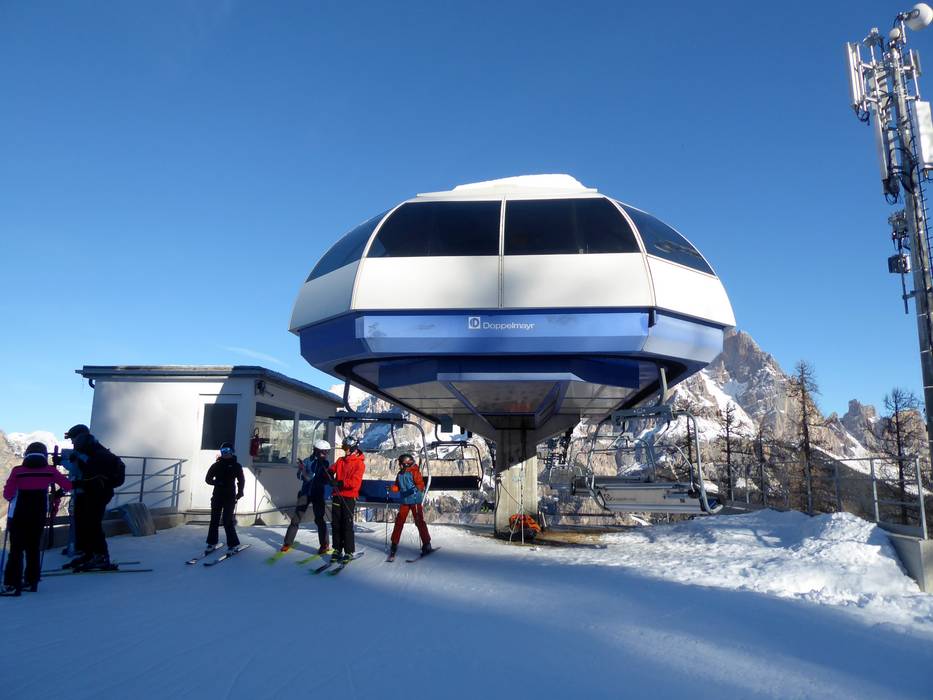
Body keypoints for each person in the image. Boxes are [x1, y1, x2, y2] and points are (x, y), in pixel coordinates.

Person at [2, 442, 72, 595]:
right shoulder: (50, 471)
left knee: (16, 550)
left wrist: (13, 494)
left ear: (27, 454)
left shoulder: (18, 471)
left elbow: (8, 494)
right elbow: (68, 486)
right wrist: (57, 493)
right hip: (38, 515)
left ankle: (12, 584)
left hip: (19, 515)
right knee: (33, 549)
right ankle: (31, 581)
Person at [64, 424, 125, 571]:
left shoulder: (94, 453)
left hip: (98, 493)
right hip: (90, 492)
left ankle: (101, 556)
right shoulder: (90, 450)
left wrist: (74, 483)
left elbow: (93, 477)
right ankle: (89, 554)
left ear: (80, 437)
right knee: (84, 523)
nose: (72, 442)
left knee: (92, 524)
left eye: (73, 439)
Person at [281, 439, 332, 554]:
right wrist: (301, 471)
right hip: (305, 493)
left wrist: (327, 478)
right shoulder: (307, 461)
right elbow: (299, 476)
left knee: (319, 519)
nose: (325, 454)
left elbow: (324, 479)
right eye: (323, 452)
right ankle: (287, 543)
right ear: (316, 451)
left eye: (327, 452)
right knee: (296, 518)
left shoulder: (325, 463)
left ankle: (324, 544)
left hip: (318, 494)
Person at [328, 435, 365, 563]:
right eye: (344, 447)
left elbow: (355, 483)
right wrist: (328, 473)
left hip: (349, 497)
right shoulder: (340, 460)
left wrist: (340, 483)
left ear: (353, 448)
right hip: (337, 496)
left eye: (347, 447)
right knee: (336, 523)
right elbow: (331, 469)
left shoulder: (359, 463)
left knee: (347, 524)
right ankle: (337, 549)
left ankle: (348, 551)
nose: (345, 450)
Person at [388, 453, 432, 558]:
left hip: (415, 501)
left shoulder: (414, 472)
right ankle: (394, 543)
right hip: (405, 501)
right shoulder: (400, 474)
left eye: (401, 464)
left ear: (406, 464)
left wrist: (414, 490)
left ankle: (427, 544)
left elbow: (421, 485)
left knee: (419, 521)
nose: (399, 466)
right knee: (399, 521)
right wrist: (392, 488)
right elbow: (397, 487)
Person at [205, 442, 245, 553]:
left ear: (232, 452)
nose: (225, 453)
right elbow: (208, 479)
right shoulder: (216, 465)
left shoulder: (236, 466)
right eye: (223, 451)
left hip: (230, 496)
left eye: (227, 451)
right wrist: (217, 482)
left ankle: (233, 544)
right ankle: (212, 542)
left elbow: (241, 480)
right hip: (217, 495)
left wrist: (240, 492)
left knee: (227, 520)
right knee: (214, 520)